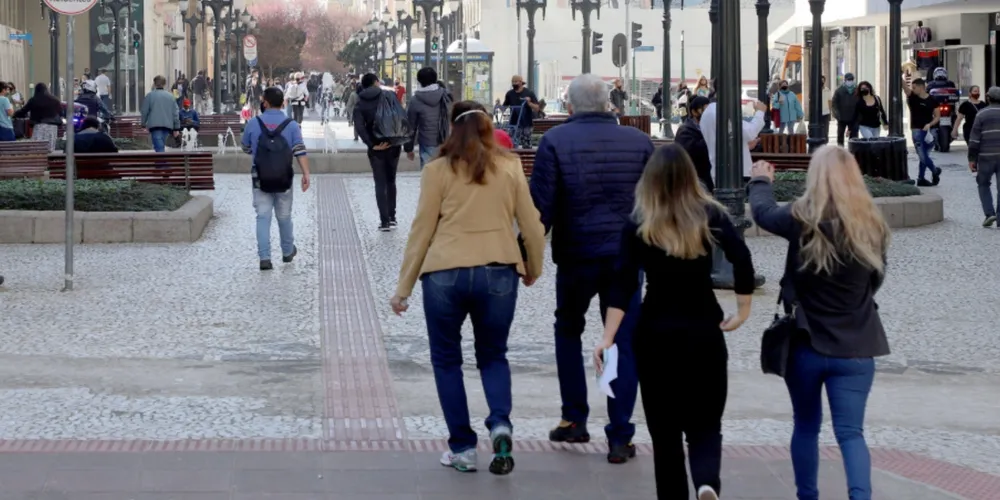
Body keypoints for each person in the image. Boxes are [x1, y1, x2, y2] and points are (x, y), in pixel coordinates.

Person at [390, 100, 546, 475]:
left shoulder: (436, 170)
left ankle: (461, 447)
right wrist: (532, 268)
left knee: (447, 360)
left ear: (452, 132)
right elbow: (533, 224)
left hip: (445, 271)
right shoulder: (509, 168)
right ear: (489, 130)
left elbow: (421, 231)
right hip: (498, 271)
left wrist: (404, 288)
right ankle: (501, 424)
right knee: (493, 355)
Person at [595, 144, 755, 500]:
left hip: (655, 334)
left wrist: (607, 338)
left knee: (664, 434)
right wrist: (742, 311)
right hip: (704, 330)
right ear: (690, 175)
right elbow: (741, 257)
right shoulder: (710, 214)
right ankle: (706, 481)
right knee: (706, 423)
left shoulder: (639, 223)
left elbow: (621, 285)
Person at [748, 146, 891, 500]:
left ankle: (807, 496)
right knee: (851, 433)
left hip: (806, 343)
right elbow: (876, 279)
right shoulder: (872, 224)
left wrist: (761, 181)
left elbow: (764, 213)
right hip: (856, 345)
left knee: (806, 426)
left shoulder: (802, 219)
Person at [529, 73, 653, 464]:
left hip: (576, 253)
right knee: (622, 341)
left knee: (568, 328)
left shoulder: (555, 141)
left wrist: (526, 257)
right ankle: (620, 434)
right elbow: (653, 204)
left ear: (569, 106)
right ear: (608, 105)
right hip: (625, 257)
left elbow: (541, 208)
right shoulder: (638, 142)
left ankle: (574, 417)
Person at [241, 86, 311, 270]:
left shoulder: (253, 123)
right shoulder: (292, 125)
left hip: (260, 176)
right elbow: (299, 150)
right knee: (284, 215)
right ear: (283, 102)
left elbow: (245, 147)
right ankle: (287, 251)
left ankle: (265, 258)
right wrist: (306, 174)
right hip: (284, 175)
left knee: (262, 216)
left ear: (265, 102)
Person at [354, 73, 402, 231]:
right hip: (393, 143)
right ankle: (392, 216)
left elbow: (360, 127)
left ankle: (384, 221)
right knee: (391, 180)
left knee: (380, 183)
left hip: (376, 147)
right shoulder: (389, 95)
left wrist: (371, 144)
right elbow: (401, 116)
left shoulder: (360, 101)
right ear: (376, 82)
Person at [404, 67, 451, 169]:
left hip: (427, 141)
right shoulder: (445, 95)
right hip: (447, 140)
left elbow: (411, 126)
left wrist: (408, 148)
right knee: (446, 174)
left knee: (428, 173)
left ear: (419, 81)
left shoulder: (415, 100)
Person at [967, 86, 1000, 228]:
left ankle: (989, 213)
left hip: (985, 156)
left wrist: (972, 159)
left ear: (988, 98)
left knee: (983, 184)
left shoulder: (981, 114)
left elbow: (974, 140)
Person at [903, 77, 942, 186]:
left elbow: (937, 116)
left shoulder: (932, 100)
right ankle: (935, 171)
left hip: (929, 131)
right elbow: (904, 87)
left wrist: (930, 124)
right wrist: (900, 75)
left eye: (914, 87)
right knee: (922, 155)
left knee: (924, 155)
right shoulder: (912, 98)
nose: (913, 89)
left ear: (921, 87)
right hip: (917, 130)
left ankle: (921, 178)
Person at [673, 95, 714, 191]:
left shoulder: (709, 127)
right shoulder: (685, 130)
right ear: (694, 112)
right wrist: (711, 137)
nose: (708, 114)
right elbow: (692, 151)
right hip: (693, 179)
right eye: (703, 110)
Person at [14, 83, 63, 151]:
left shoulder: (34, 100)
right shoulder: (55, 100)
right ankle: (48, 160)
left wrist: (14, 114)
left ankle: (38, 160)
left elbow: (24, 110)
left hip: (39, 125)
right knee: (50, 147)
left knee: (37, 147)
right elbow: (60, 112)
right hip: (53, 127)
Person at [140, 75, 181, 153]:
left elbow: (144, 111)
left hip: (155, 126)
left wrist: (143, 123)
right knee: (160, 146)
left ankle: (162, 164)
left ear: (154, 84)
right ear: (164, 84)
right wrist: (176, 128)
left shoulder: (149, 96)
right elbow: (175, 113)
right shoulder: (170, 97)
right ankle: (162, 163)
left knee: (159, 148)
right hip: (167, 126)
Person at [501, 75, 539, 149]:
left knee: (527, 145)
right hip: (514, 123)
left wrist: (529, 103)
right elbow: (504, 107)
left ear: (521, 82)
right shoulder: (509, 94)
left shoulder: (529, 93)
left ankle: (526, 159)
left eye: (516, 82)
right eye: (513, 82)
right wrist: (499, 107)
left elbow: (537, 108)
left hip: (526, 123)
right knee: (512, 145)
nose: (514, 84)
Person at [832, 73, 859, 145]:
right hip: (842, 118)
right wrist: (837, 115)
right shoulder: (839, 90)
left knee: (854, 137)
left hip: (854, 118)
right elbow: (834, 104)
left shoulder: (857, 90)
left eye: (851, 80)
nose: (850, 81)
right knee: (840, 136)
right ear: (845, 80)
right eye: (848, 80)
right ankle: (840, 152)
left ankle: (853, 152)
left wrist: (859, 117)